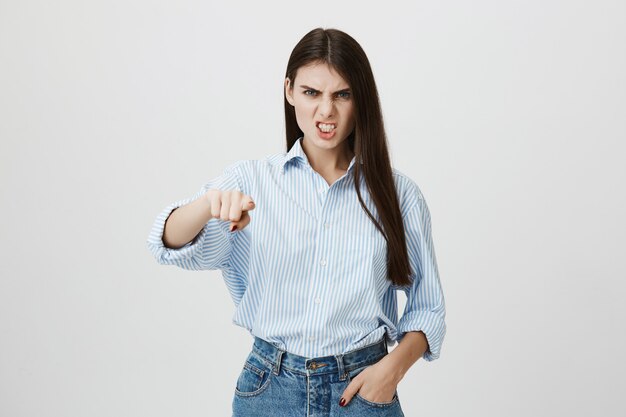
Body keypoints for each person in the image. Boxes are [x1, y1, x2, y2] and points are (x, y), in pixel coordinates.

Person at [147, 27, 446, 417]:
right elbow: (166, 243)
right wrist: (208, 205)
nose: (326, 111)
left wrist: (391, 370)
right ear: (289, 91)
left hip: (362, 389)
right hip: (270, 390)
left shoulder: (399, 194)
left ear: (361, 99)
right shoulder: (252, 182)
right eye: (311, 93)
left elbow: (429, 306)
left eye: (342, 94)